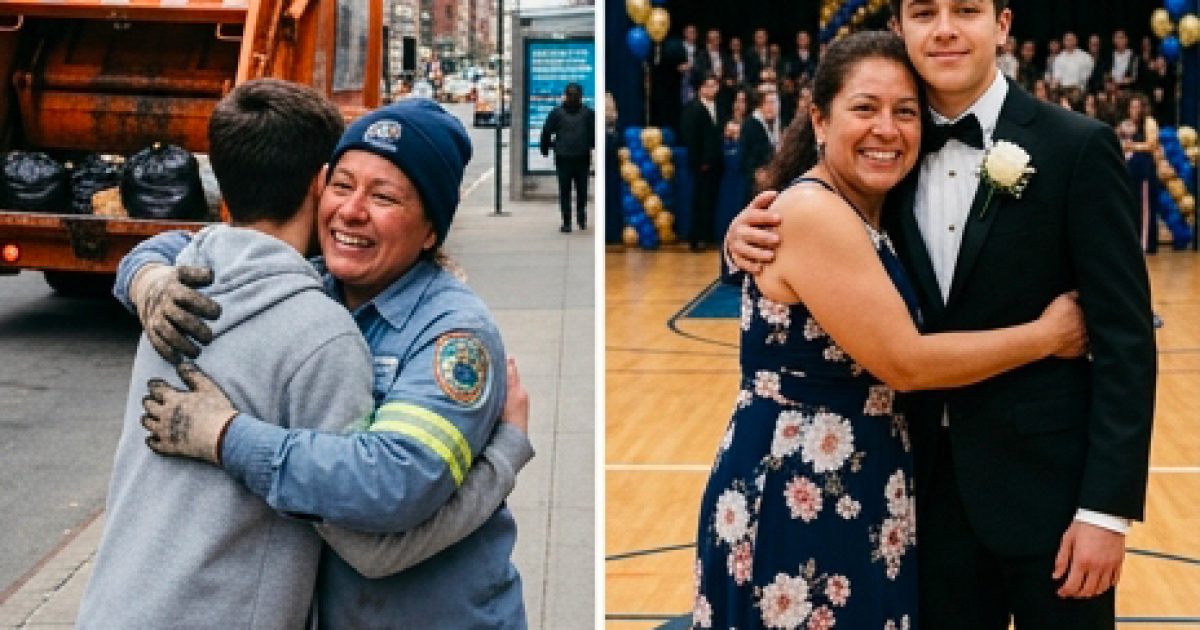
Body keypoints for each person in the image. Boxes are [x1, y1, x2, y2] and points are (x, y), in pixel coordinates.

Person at [726, 0, 1156, 627]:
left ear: (1002, 25)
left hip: (1052, 504)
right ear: (899, 28)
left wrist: (1105, 512)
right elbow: (806, 224)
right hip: (917, 503)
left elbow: (1126, 340)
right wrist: (739, 241)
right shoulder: (885, 152)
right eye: (925, 12)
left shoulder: (1077, 147)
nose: (946, 28)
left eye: (967, 10)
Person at [78, 82, 532, 628]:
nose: (352, 211)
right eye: (342, 185)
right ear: (317, 188)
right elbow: (204, 243)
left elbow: (393, 482)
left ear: (431, 229)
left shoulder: (452, 333)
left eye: (384, 198)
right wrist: (147, 279)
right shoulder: (313, 281)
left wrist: (226, 436)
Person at [540, 82, 595, 233]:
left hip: (563, 156)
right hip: (582, 156)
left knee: (565, 190)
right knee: (582, 189)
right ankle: (581, 217)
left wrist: (545, 149)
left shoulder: (557, 113)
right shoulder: (588, 113)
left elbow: (546, 132)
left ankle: (567, 222)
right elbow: (594, 135)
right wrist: (590, 145)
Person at [680, 73, 724, 251]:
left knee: (711, 201)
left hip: (715, 163)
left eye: (714, 85)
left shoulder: (718, 107)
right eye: (708, 85)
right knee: (699, 201)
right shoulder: (693, 108)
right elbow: (691, 137)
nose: (712, 89)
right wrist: (700, 161)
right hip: (700, 165)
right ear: (701, 88)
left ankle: (707, 235)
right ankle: (695, 238)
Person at [1119, 93, 1161, 253]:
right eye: (1131, 107)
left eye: (1137, 107)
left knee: (1146, 207)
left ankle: (1146, 243)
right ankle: (1134, 240)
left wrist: (1133, 146)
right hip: (1131, 170)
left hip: (1145, 170)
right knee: (1133, 205)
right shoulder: (1128, 124)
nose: (1134, 110)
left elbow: (1152, 144)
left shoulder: (1149, 122)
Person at [738, 86, 777, 199]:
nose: (772, 107)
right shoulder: (751, 125)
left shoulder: (772, 124)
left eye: (774, 103)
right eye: (768, 103)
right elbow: (745, 156)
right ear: (760, 105)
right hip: (754, 184)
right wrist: (756, 173)